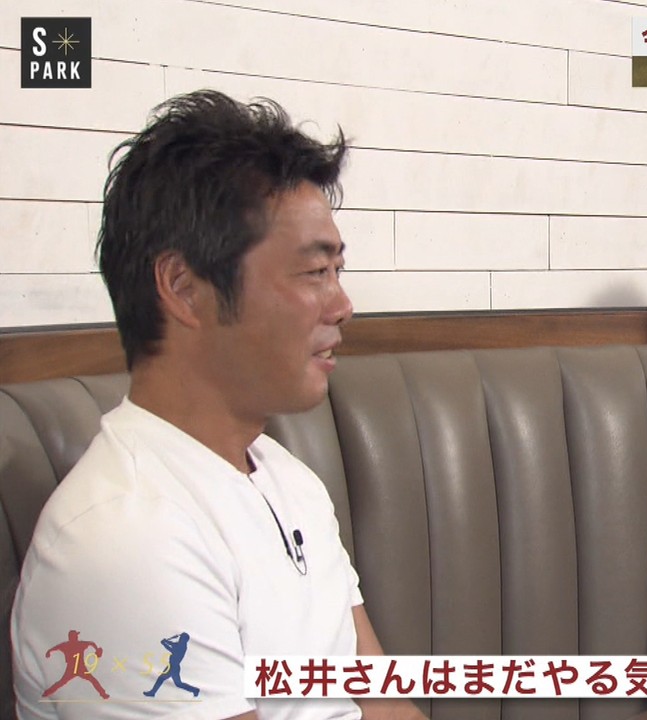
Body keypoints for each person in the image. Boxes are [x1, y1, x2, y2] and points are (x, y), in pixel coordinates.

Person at [10, 90, 426, 720]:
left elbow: (381, 704)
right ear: (183, 288)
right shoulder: (125, 540)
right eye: (315, 273)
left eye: (337, 272)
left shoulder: (288, 480)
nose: (343, 306)